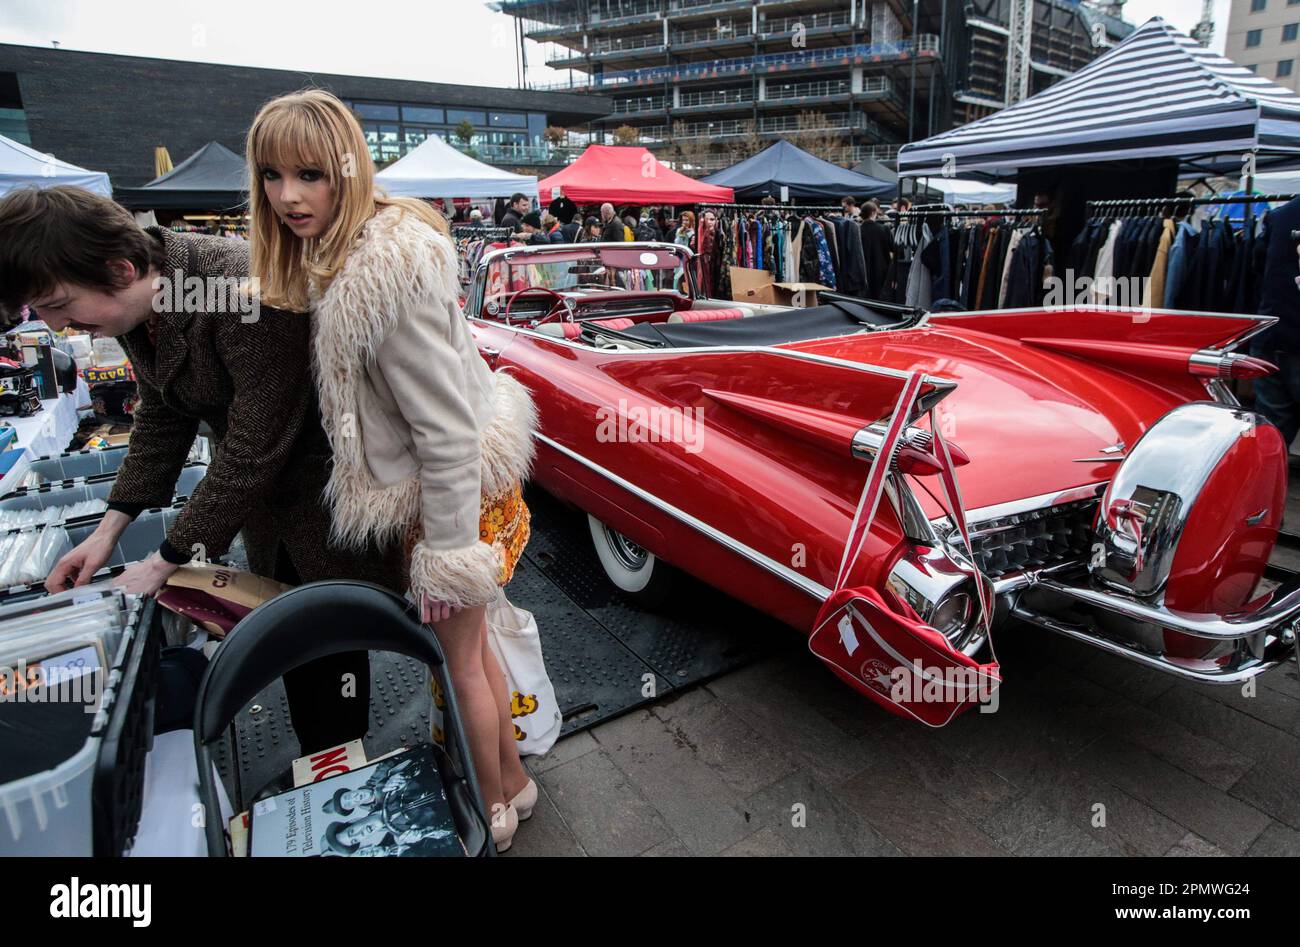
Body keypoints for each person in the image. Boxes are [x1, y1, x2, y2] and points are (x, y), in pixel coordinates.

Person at [0, 185, 408, 757]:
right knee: (299, 638)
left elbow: (253, 447)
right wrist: (106, 532)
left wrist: (166, 558)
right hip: (266, 499)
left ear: (120, 268)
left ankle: (343, 767)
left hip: (325, 490)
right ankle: (328, 760)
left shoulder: (238, 289)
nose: (60, 327)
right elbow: (164, 413)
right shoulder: (148, 299)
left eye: (62, 307)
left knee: (333, 640)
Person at [247, 89, 539, 851]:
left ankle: (493, 814)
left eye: (308, 174)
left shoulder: (383, 270)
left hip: (450, 504)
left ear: (345, 169)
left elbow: (442, 430)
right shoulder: (362, 249)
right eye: (272, 176)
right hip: (460, 493)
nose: (287, 196)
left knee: (463, 665)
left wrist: (444, 557)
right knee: (477, 657)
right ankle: (513, 784)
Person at [1252, 195, 1300, 446]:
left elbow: (1257, 267)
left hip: (1272, 334)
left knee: (1271, 433)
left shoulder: (1279, 216)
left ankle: (1264, 484)